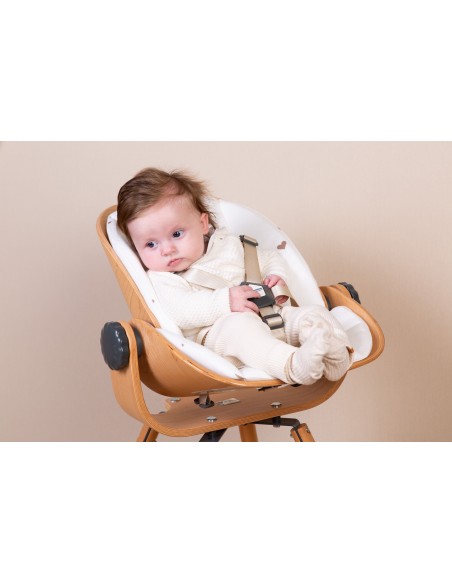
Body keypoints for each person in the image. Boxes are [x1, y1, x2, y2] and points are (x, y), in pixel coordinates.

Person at [117, 167, 354, 385]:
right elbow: (180, 310)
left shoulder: (228, 245)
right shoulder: (162, 278)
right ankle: (292, 366)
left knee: (313, 315)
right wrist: (225, 301)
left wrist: (275, 275)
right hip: (220, 337)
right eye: (151, 244)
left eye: (177, 234)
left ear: (202, 224)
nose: (167, 250)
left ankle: (335, 357)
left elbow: (266, 258)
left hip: (273, 316)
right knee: (241, 329)